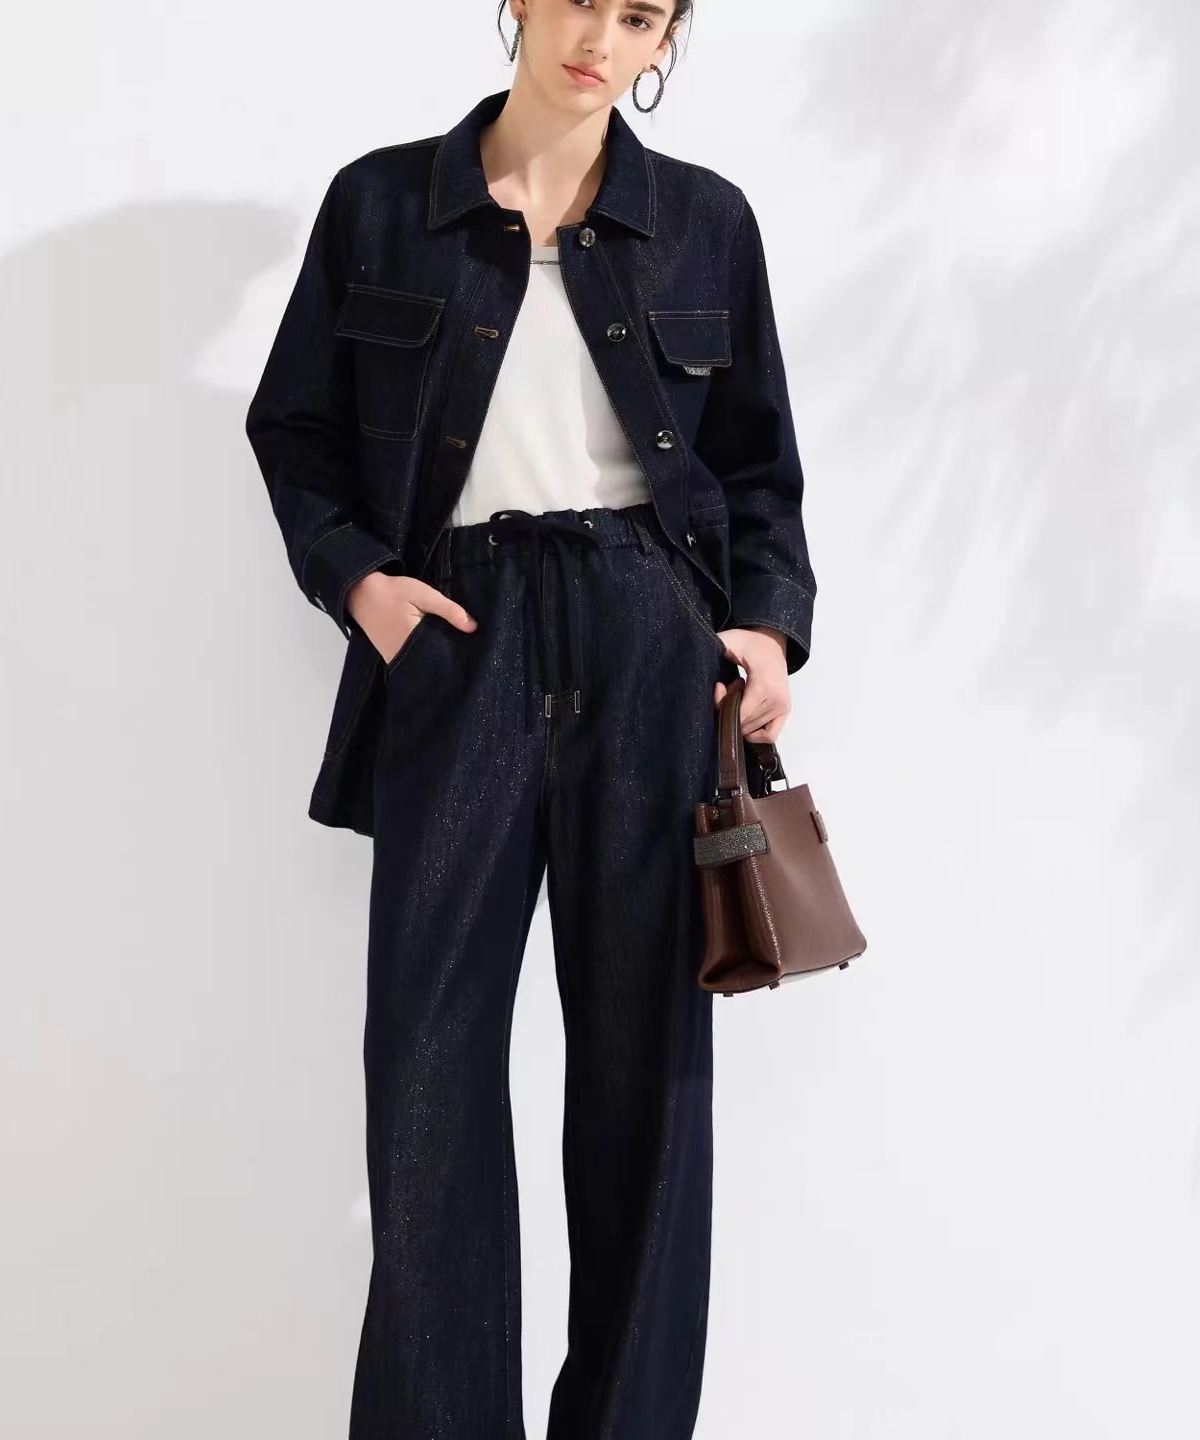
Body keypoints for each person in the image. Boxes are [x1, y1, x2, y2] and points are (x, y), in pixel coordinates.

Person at [245, 2, 816, 1434]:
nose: (598, 36)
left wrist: (764, 628)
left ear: (664, 40)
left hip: (649, 646)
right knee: (425, 1077)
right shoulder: (384, 205)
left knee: (646, 1091)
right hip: (459, 639)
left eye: (641, 15)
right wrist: (361, 584)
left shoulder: (706, 224)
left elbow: (759, 468)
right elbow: (295, 427)